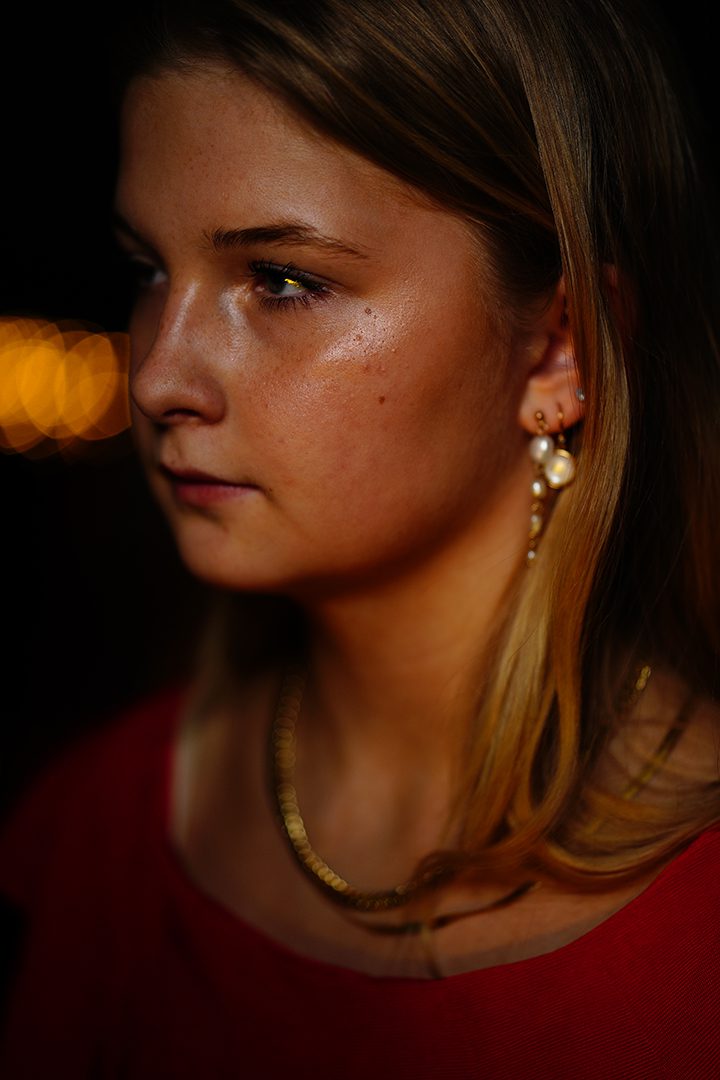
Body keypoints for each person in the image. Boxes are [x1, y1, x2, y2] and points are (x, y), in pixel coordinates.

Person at [1, 0, 719, 1075]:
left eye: (282, 281)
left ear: (559, 351)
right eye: (149, 270)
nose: (156, 377)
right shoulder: (91, 834)